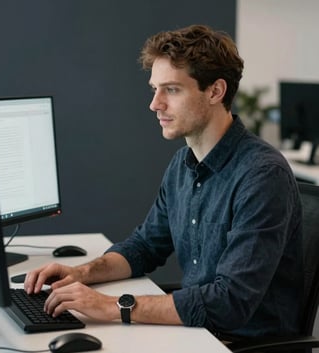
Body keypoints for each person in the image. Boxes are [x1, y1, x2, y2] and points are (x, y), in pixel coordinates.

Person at [24, 24, 303, 338]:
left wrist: (113, 306)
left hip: (239, 343)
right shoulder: (182, 166)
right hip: (195, 332)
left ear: (215, 91)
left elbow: (230, 302)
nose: (155, 104)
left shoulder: (262, 175)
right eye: (154, 89)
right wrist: (82, 273)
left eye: (171, 89)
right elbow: (144, 248)